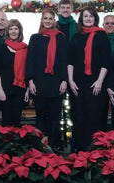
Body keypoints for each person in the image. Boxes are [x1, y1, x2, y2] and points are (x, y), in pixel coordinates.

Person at [68, 7, 111, 151]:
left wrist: (99, 81)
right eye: (85, 16)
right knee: (79, 116)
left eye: (91, 16)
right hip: (78, 83)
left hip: (96, 82)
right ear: (81, 19)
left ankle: (94, 148)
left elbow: (106, 61)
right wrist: (71, 80)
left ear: (95, 19)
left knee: (94, 116)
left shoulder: (101, 35)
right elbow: (70, 61)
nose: (88, 18)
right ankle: (79, 148)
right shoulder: (76, 37)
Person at [26, 8, 68, 150]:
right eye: (45, 18)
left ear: (54, 21)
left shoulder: (61, 38)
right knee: (41, 115)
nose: (48, 21)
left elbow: (64, 60)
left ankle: (55, 144)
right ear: (42, 20)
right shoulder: (35, 38)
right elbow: (30, 60)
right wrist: (30, 80)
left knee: (55, 115)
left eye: (50, 19)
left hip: (56, 82)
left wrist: (64, 80)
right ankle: (41, 145)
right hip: (39, 82)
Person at [0, 19, 28, 127]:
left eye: (16, 29)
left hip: (20, 88)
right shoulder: (1, 49)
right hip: (5, 89)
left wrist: (27, 91)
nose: (13, 31)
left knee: (17, 119)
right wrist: (0, 90)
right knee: (6, 120)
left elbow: (28, 70)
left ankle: (16, 144)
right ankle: (6, 143)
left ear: (20, 31)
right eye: (11, 29)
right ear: (7, 32)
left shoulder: (26, 48)